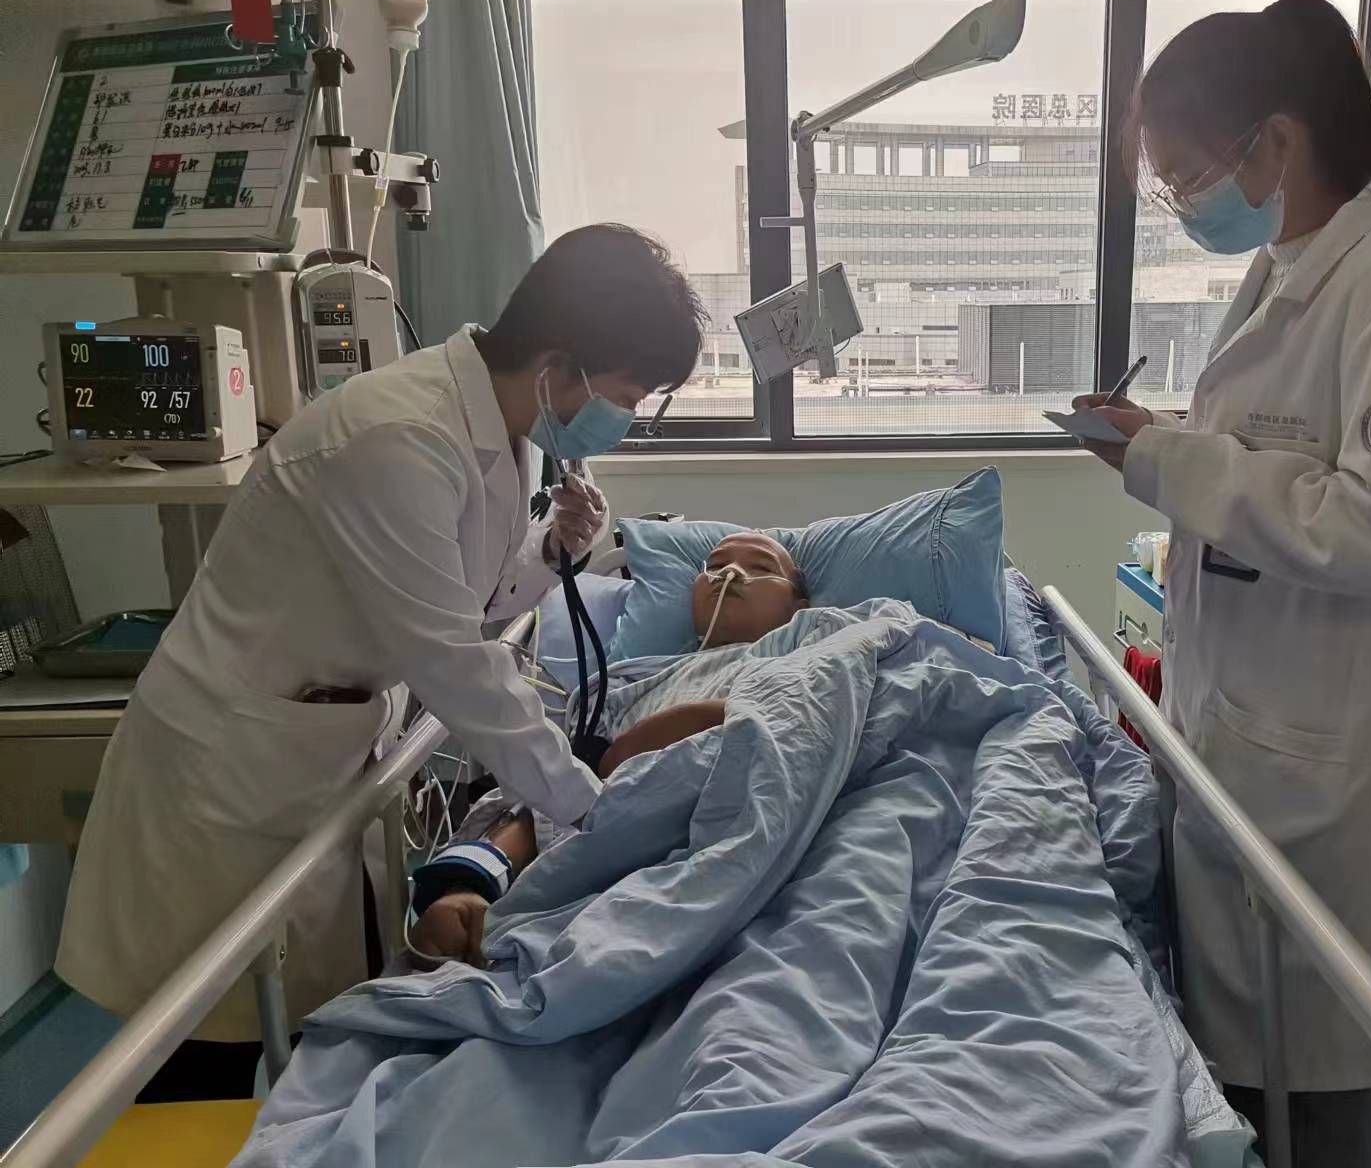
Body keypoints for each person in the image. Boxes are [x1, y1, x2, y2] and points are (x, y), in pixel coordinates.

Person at [57, 223, 706, 1096]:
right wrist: (596, 814)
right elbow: (456, 662)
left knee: (309, 1014)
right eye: (627, 395)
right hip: (227, 769)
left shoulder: (504, 432)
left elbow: (474, 599)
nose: (624, 418)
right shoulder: (394, 436)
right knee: (201, 1041)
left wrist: (554, 552)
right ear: (559, 364)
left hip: (324, 748)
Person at [1073, 0, 1371, 1167]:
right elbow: (1265, 465)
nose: (1184, 203)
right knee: (1258, 1083)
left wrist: (1168, 459)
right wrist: (1164, 446)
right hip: (1249, 729)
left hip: (1328, 765)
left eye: (1185, 176)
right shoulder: (1281, 273)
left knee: (1328, 1089)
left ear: (1274, 142)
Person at [408, 532, 812, 965]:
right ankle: (475, 880)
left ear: (799, 606)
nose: (729, 574)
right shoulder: (624, 681)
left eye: (761, 567)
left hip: (741, 821)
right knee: (554, 785)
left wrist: (673, 729)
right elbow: (574, 783)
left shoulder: (815, 650)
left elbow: (805, 720)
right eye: (714, 566)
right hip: (613, 825)